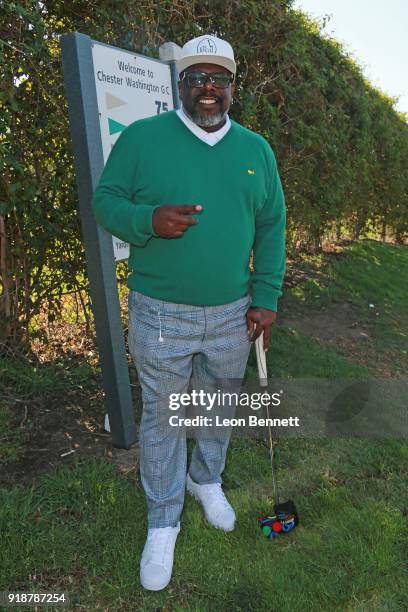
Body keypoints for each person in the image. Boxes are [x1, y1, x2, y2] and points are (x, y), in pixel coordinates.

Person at [92, 34, 286, 591]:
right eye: (196, 78)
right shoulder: (144, 138)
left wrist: (266, 296)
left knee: (217, 408)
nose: (208, 89)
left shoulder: (256, 150)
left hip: (233, 311)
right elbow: (108, 200)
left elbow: (272, 223)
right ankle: (162, 519)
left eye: (218, 80)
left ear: (232, 88)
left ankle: (206, 481)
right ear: (179, 83)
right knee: (164, 417)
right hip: (161, 313)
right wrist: (149, 220)